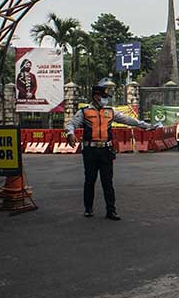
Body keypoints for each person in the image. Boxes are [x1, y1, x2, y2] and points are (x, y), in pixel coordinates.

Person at [65, 84, 154, 220]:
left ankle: (111, 210)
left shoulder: (110, 112)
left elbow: (129, 120)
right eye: (103, 97)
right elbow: (71, 123)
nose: (105, 100)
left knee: (108, 182)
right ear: (96, 96)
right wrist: (70, 133)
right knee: (90, 180)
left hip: (106, 150)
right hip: (90, 150)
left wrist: (146, 126)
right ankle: (88, 208)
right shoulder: (84, 112)